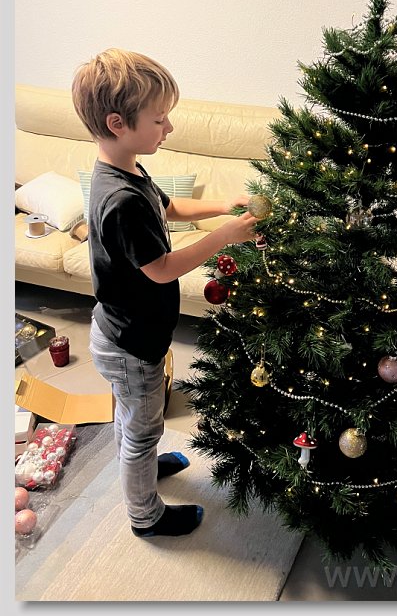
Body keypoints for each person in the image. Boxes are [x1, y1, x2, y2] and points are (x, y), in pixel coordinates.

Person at [71, 48, 259, 538]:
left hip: (128, 333)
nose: (169, 128)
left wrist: (224, 205)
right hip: (130, 343)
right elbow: (161, 270)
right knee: (142, 427)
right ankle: (145, 516)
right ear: (117, 123)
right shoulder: (120, 199)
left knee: (135, 415)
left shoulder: (127, 170)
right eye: (159, 120)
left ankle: (145, 464)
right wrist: (225, 236)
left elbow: (169, 207)